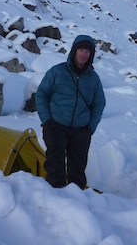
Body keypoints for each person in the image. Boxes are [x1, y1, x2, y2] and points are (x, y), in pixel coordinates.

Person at [35, 34, 106, 189]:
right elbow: (42, 94)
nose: (84, 54)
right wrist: (47, 121)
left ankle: (76, 199)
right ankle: (56, 196)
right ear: (74, 51)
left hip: (81, 129)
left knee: (77, 170)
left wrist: (90, 128)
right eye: (81, 49)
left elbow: (99, 104)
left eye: (87, 51)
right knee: (55, 165)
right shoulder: (57, 72)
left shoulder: (93, 79)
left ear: (91, 55)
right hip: (56, 125)